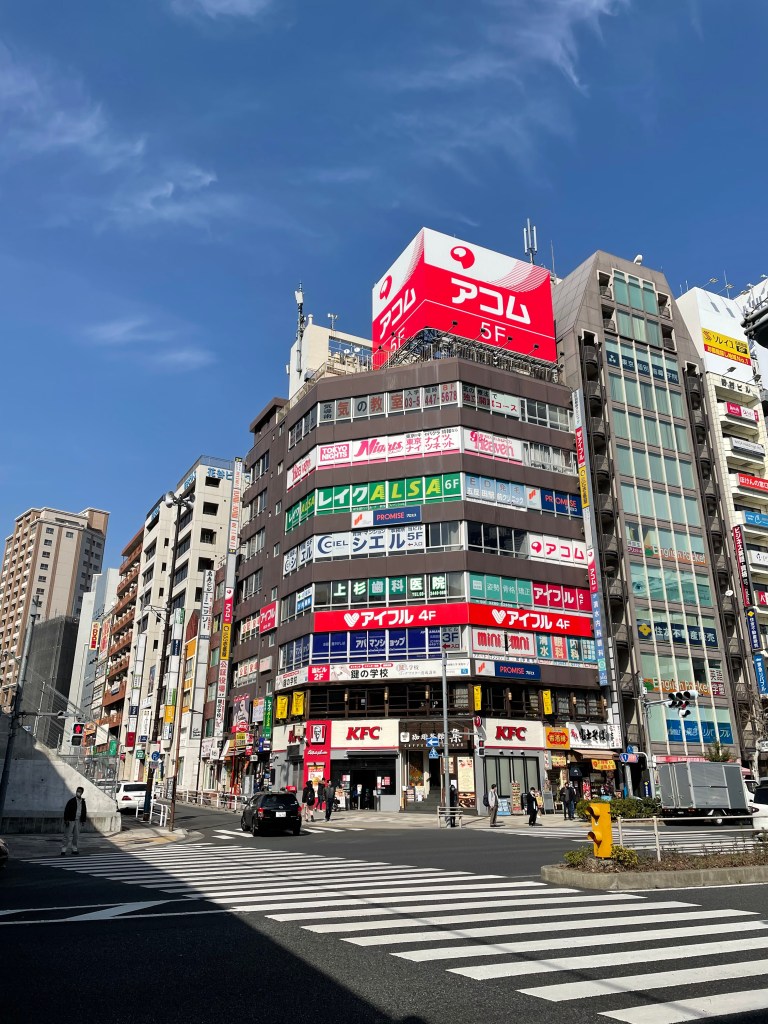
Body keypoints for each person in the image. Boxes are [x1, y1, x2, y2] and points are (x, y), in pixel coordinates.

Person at [62, 786, 87, 856]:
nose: (78, 792)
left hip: (78, 820)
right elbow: (66, 810)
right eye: (77, 791)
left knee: (76, 836)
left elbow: (84, 811)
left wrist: (83, 820)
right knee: (67, 835)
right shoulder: (71, 801)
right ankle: (63, 849)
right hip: (71, 819)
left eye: (79, 791)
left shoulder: (83, 802)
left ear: (82, 793)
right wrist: (66, 819)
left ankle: (74, 849)